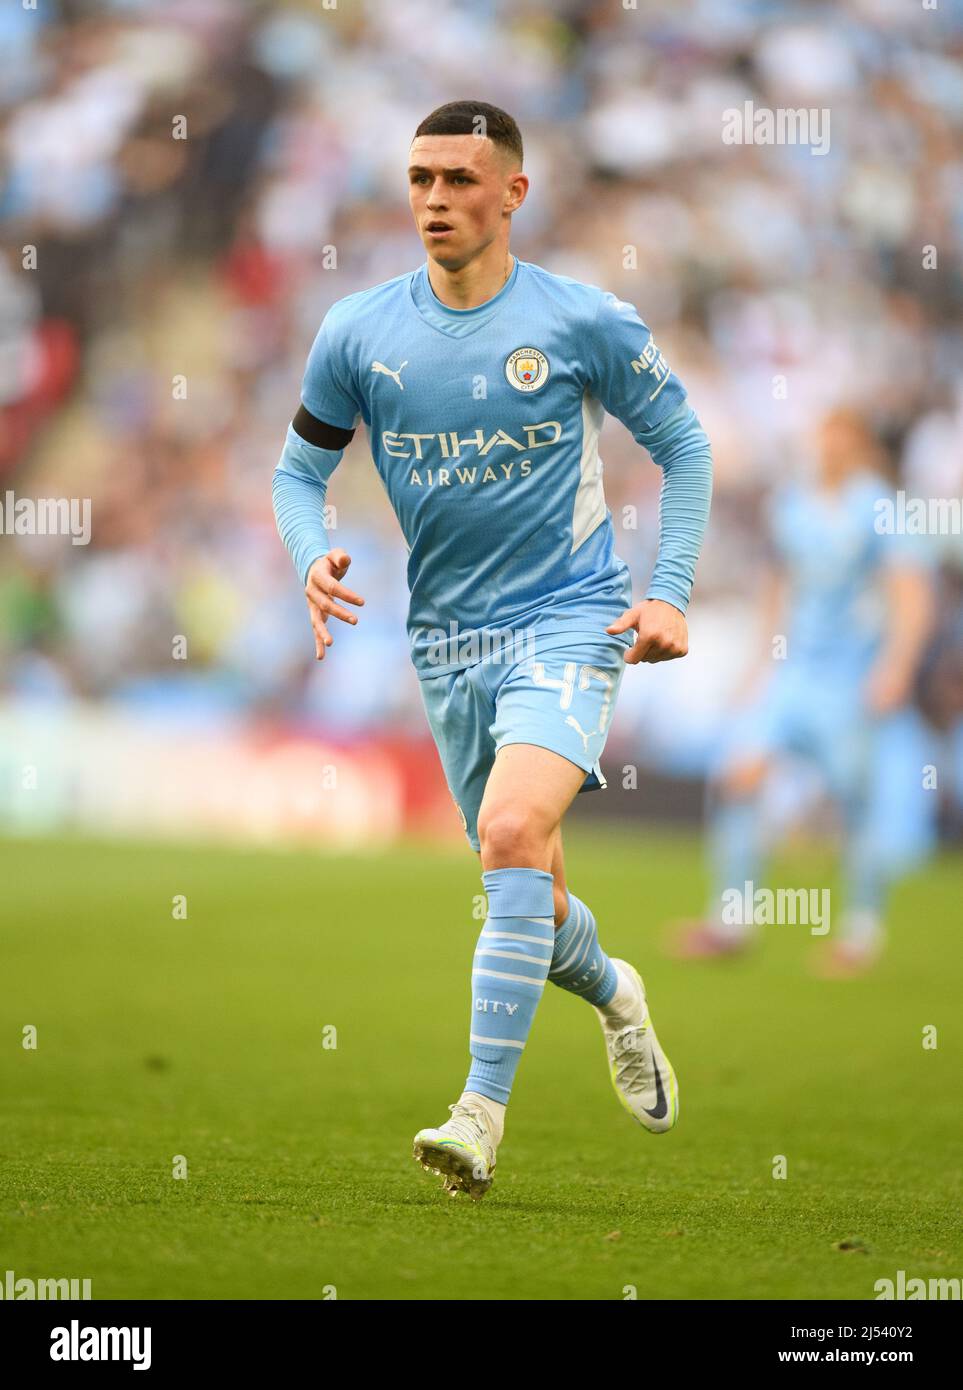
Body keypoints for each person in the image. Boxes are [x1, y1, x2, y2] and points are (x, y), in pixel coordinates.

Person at [273, 101, 712, 1200]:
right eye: (420, 177)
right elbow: (297, 472)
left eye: (461, 180)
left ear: (513, 194)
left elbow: (685, 444)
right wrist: (309, 554)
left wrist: (669, 592)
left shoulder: (582, 321)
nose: (435, 199)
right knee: (523, 880)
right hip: (444, 640)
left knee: (513, 830)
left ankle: (478, 1113)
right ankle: (616, 993)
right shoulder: (359, 332)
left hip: (570, 618)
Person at [672, 407, 935, 977]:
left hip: (850, 679)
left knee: (853, 802)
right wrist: (757, 666)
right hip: (792, 674)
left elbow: (910, 593)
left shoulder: (878, 507)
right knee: (740, 774)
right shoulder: (791, 503)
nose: (830, 446)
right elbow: (777, 585)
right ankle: (731, 922)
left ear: (861, 444)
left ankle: (860, 932)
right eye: (824, 434)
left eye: (842, 435)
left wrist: (896, 666)